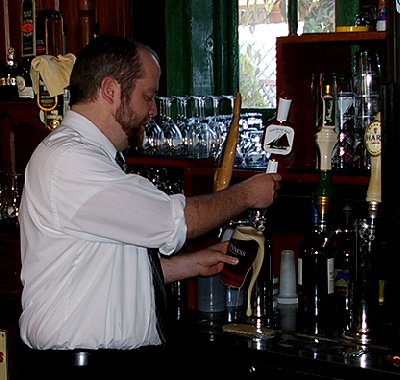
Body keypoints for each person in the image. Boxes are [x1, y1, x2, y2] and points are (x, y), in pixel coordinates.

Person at [18, 35, 281, 379]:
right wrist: (246, 194)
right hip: (81, 366)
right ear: (111, 90)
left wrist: (188, 265)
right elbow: (175, 222)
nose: (153, 110)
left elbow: (98, 267)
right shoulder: (71, 158)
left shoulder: (87, 157)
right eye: (148, 96)